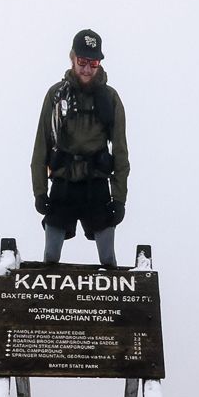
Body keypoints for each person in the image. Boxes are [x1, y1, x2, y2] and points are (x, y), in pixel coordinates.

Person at [31, 29, 129, 267]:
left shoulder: (110, 98)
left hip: (97, 185)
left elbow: (120, 152)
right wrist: (40, 191)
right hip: (63, 184)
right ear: (72, 58)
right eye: (82, 61)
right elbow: (41, 146)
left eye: (93, 62)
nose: (87, 69)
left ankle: (113, 303)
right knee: (50, 258)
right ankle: (48, 303)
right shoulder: (57, 95)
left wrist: (119, 198)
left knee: (108, 260)